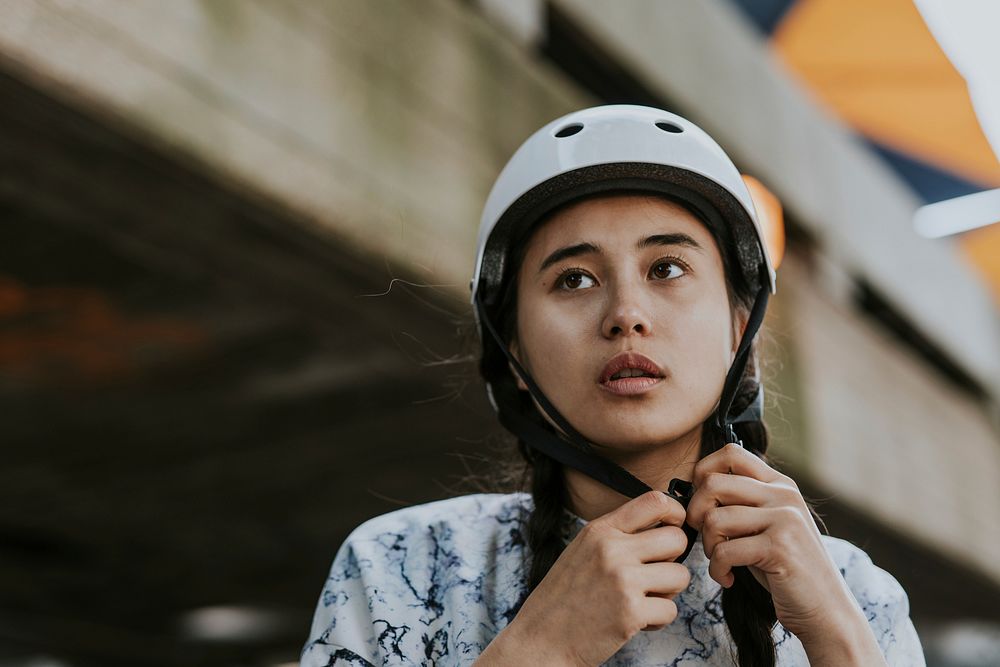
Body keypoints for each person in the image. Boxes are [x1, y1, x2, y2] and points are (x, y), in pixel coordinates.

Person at [301, 104, 925, 666]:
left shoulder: (857, 593)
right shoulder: (399, 569)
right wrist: (538, 652)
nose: (626, 313)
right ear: (513, 351)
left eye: (667, 268)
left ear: (740, 327)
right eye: (573, 279)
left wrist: (837, 637)